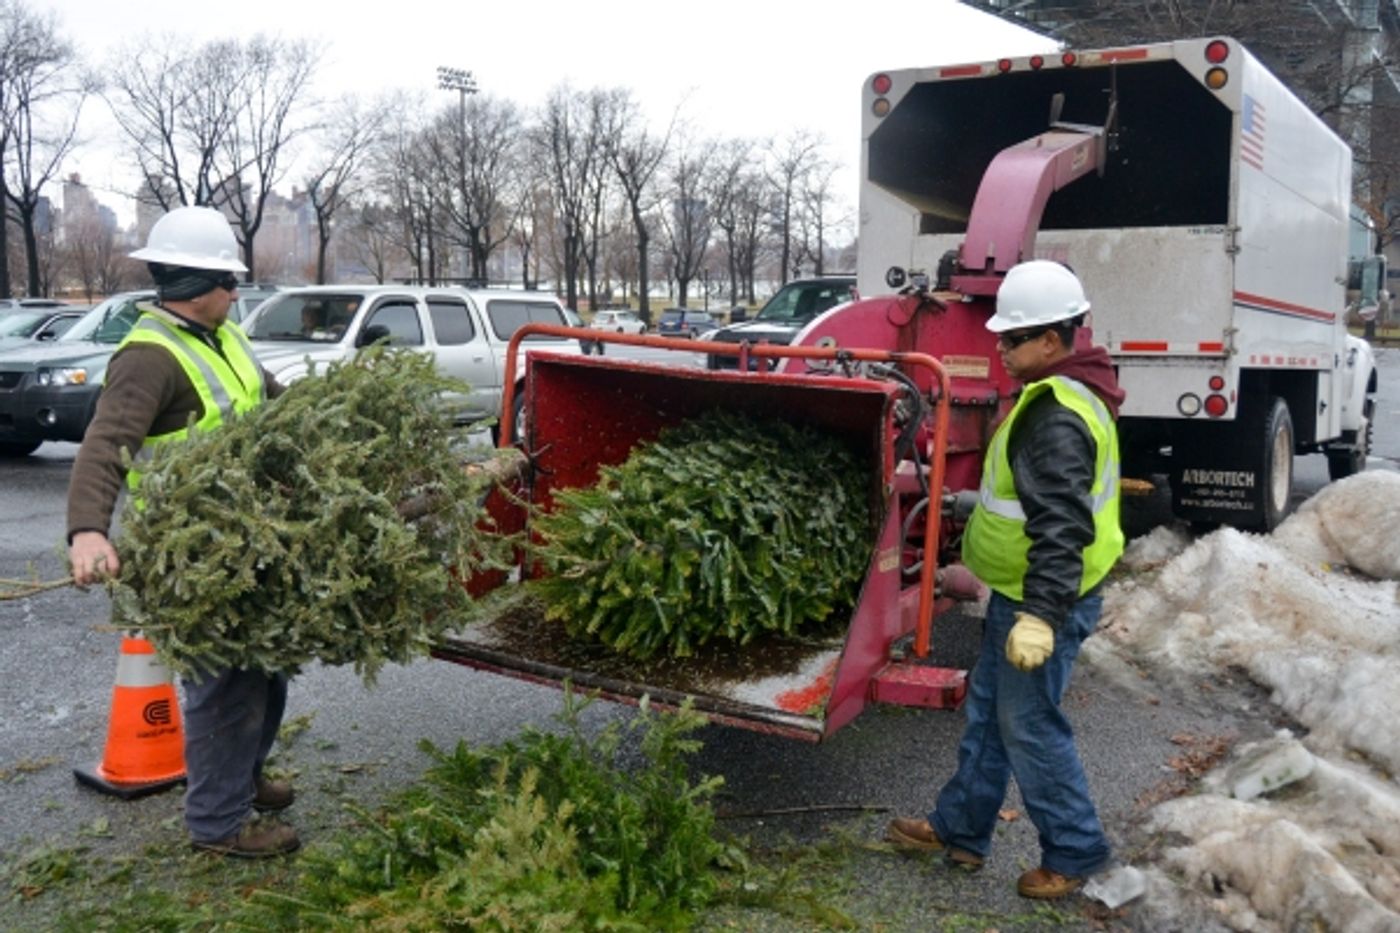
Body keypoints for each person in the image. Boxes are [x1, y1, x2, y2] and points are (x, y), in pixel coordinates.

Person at [887, 260, 1126, 899]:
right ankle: (962, 832)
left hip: (1044, 600)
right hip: (1022, 592)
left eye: (1012, 338)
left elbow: (1062, 528)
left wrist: (1042, 616)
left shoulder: (1056, 416)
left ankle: (1074, 851)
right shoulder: (1064, 391)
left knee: (1029, 725)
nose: (999, 348)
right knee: (990, 713)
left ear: (1052, 340)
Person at [67, 206, 298, 859]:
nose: (236, 291)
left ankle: (242, 778)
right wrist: (87, 530)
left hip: (247, 539)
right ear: (198, 284)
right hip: (192, 553)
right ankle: (217, 825)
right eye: (229, 281)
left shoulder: (220, 336)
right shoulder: (149, 357)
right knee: (224, 684)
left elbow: (266, 395)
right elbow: (105, 443)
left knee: (266, 670)